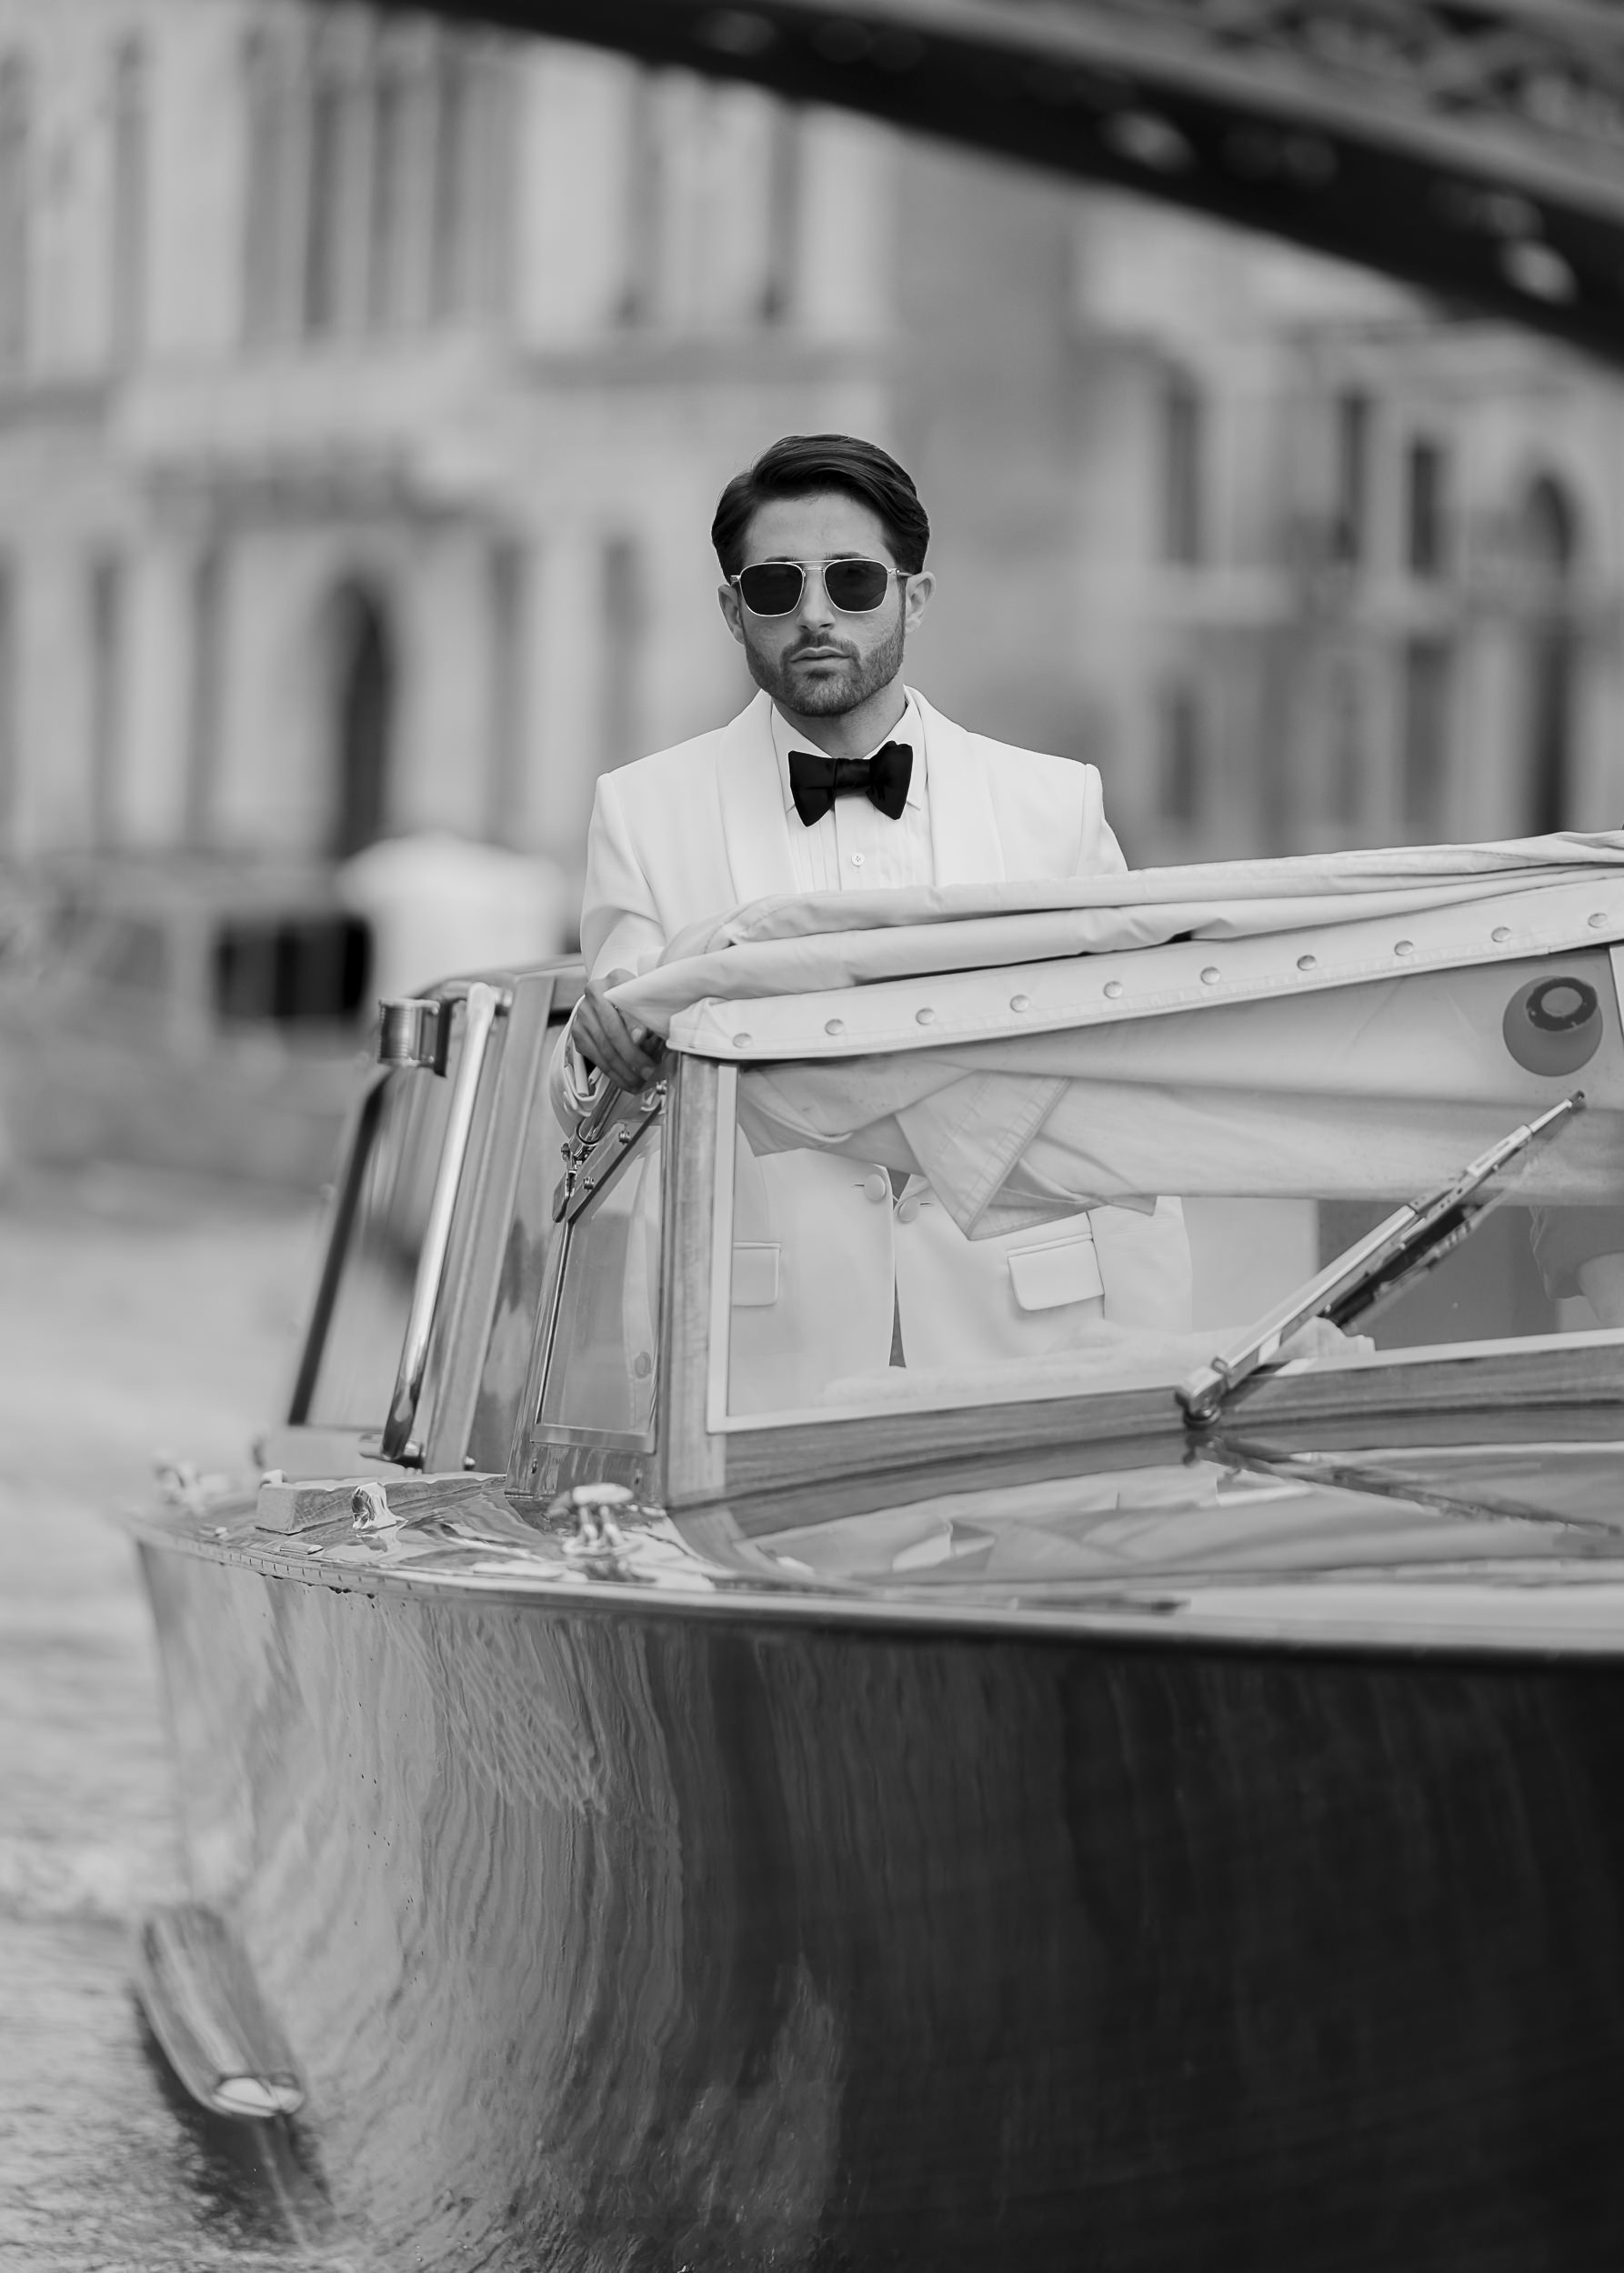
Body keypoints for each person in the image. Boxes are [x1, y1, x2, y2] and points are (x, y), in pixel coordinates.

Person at [556, 432, 1190, 1395]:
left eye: (852, 583)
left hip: (1033, 1342)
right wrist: (600, 1045)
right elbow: (593, 1086)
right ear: (733, 611)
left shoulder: (1055, 804)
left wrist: (1158, 1367)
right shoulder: (641, 811)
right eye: (776, 587)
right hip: (762, 1358)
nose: (814, 615)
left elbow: (1127, 1099)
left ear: (913, 598)